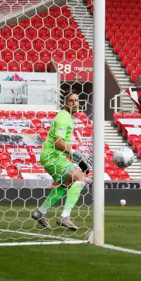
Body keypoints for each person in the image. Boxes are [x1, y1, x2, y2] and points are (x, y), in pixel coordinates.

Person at [31, 92, 89, 231]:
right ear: (65, 103)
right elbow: (58, 142)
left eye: (76, 100)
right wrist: (76, 154)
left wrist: (73, 156)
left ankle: (40, 212)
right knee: (80, 178)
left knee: (65, 184)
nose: (74, 103)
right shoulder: (63, 117)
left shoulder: (67, 117)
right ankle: (65, 217)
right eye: (71, 101)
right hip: (52, 156)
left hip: (53, 156)